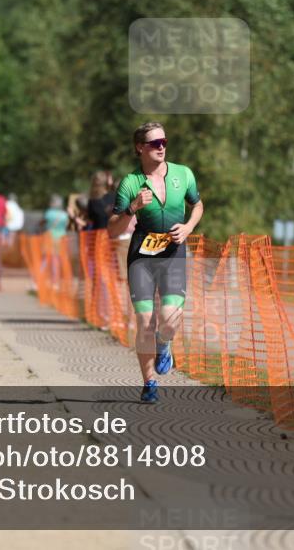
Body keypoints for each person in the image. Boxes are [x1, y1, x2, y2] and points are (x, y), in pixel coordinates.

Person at [107, 122, 204, 403]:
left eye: (164, 142)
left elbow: (198, 205)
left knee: (169, 320)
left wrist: (188, 227)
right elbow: (112, 229)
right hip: (142, 256)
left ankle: (164, 342)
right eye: (154, 143)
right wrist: (132, 208)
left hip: (173, 253)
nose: (161, 147)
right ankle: (149, 383)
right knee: (144, 320)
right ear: (140, 147)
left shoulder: (183, 174)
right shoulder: (131, 182)